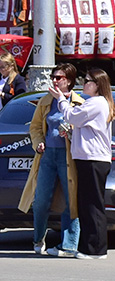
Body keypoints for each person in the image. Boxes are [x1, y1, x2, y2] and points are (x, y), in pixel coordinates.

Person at [18, 64, 83, 255]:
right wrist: (38, 143)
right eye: (53, 77)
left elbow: (83, 127)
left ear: (69, 81)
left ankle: (70, 244)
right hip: (47, 156)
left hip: (68, 156)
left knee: (71, 199)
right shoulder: (46, 101)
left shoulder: (78, 102)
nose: (54, 80)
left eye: (59, 77)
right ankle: (38, 239)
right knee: (40, 200)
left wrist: (71, 132)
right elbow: (36, 127)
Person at [52, 67, 115, 259]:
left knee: (93, 205)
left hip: (93, 159)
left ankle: (96, 249)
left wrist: (61, 99)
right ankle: (88, 246)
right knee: (86, 204)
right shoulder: (96, 103)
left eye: (87, 80)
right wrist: (71, 134)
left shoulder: (96, 103)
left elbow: (71, 116)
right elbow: (82, 127)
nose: (83, 83)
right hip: (88, 158)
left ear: (97, 85)